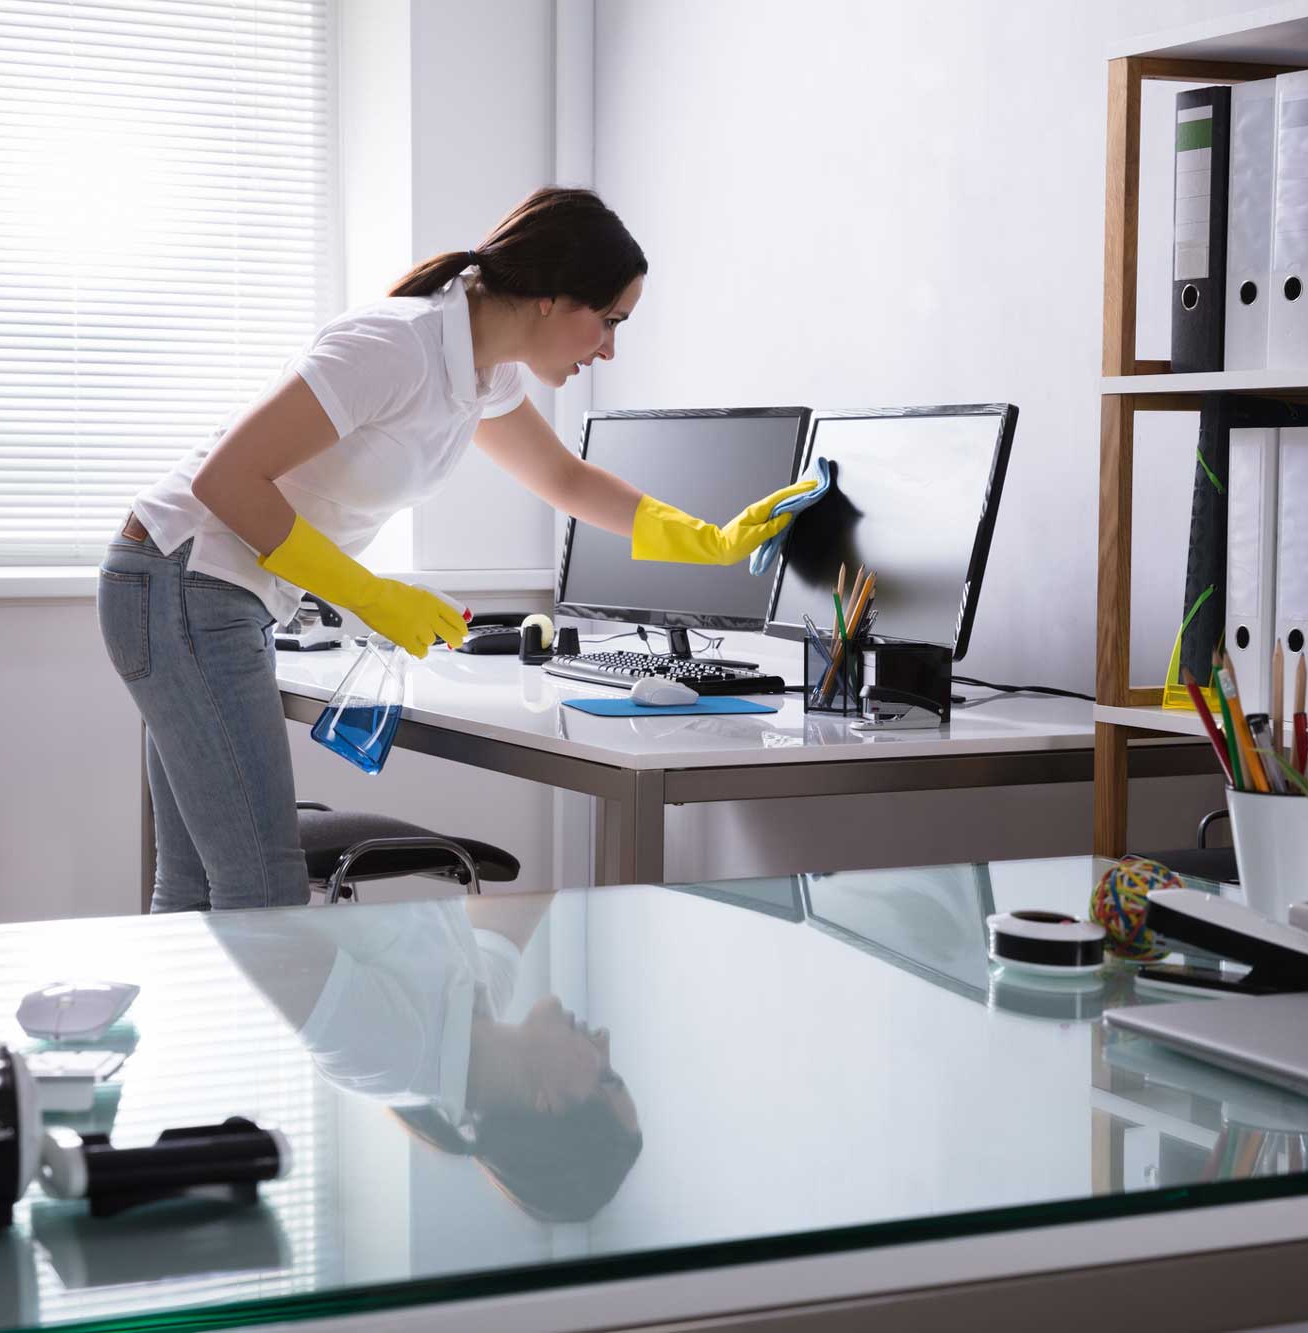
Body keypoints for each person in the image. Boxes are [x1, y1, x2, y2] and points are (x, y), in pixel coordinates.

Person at [99, 186, 817, 912]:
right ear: (549, 296)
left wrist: (712, 541)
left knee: (197, 884)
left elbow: (564, 478)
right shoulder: (393, 346)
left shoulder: (481, 371)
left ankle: (208, 1028)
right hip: (181, 579)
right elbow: (228, 479)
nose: (609, 348)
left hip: (196, 589)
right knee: (261, 887)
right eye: (607, 321)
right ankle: (265, 1031)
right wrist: (371, 595)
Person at [207, 893, 641, 1223]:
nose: (603, 1039)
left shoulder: (391, 1053)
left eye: (605, 1076)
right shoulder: (484, 999)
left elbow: (243, 915)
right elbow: (538, 870)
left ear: (549, 1104)